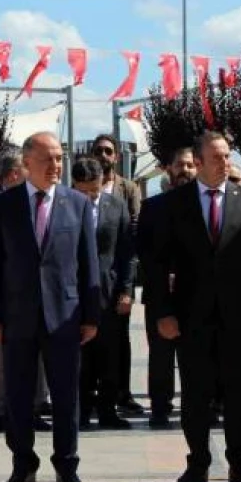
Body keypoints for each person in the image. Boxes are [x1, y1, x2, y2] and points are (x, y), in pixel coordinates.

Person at [150, 131, 241, 482]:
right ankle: (198, 462)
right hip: (191, 315)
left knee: (238, 391)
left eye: (227, 156)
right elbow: (158, 264)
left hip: (237, 314)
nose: (225, 163)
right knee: (195, 392)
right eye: (217, 157)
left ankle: (240, 463)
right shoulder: (175, 204)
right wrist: (163, 312)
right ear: (199, 162)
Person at [0, 131, 100, 482]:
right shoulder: (3, 205)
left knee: (66, 396)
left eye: (59, 159)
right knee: (18, 396)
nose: (56, 166)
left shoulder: (76, 204)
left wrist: (91, 316)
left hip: (64, 316)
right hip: (17, 317)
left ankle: (67, 464)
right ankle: (23, 464)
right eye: (48, 159)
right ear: (27, 162)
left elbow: (88, 262)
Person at [0, 148, 52, 434]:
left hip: (40, 297)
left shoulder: (42, 201)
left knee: (39, 357)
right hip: (6, 296)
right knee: (2, 358)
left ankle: (35, 407)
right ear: (15, 174)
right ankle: (3, 408)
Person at [71, 157, 135, 429]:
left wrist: (127, 290)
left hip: (108, 294)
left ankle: (108, 410)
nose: (89, 197)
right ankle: (81, 411)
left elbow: (126, 253)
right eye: (82, 191)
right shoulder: (64, 207)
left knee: (110, 355)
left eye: (93, 191)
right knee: (81, 358)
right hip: (74, 294)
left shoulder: (117, 206)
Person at [137, 146, 195, 428]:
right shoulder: (152, 207)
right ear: (169, 169)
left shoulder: (202, 203)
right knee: (160, 355)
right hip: (159, 293)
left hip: (194, 293)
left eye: (189, 165)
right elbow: (145, 254)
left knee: (194, 355)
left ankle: (196, 406)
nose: (184, 170)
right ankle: (160, 408)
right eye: (179, 165)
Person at [90, 133, 143, 415]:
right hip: (90, 283)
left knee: (119, 340)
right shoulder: (80, 188)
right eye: (98, 150)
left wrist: (127, 288)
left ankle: (121, 392)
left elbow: (131, 233)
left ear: (116, 157)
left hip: (116, 278)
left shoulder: (128, 189)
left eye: (108, 151)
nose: (103, 155)